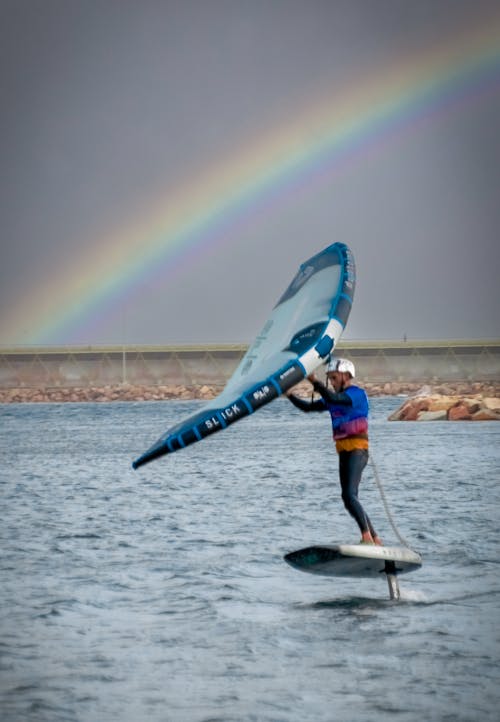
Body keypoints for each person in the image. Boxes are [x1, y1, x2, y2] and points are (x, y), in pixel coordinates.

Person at [286, 357, 382, 545]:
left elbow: (334, 397)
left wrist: (315, 381)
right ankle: (375, 539)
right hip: (343, 452)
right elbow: (308, 407)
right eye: (329, 378)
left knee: (349, 495)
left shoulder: (356, 394)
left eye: (334, 377)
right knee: (349, 498)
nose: (331, 381)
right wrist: (289, 394)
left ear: (346, 376)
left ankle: (366, 537)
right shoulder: (333, 399)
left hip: (357, 451)